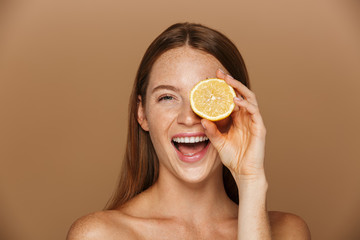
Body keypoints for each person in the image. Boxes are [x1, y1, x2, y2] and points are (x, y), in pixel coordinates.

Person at [67, 22, 311, 239]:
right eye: (167, 97)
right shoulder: (99, 234)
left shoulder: (288, 232)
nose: (188, 118)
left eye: (207, 96)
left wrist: (251, 180)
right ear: (142, 114)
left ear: (236, 107)